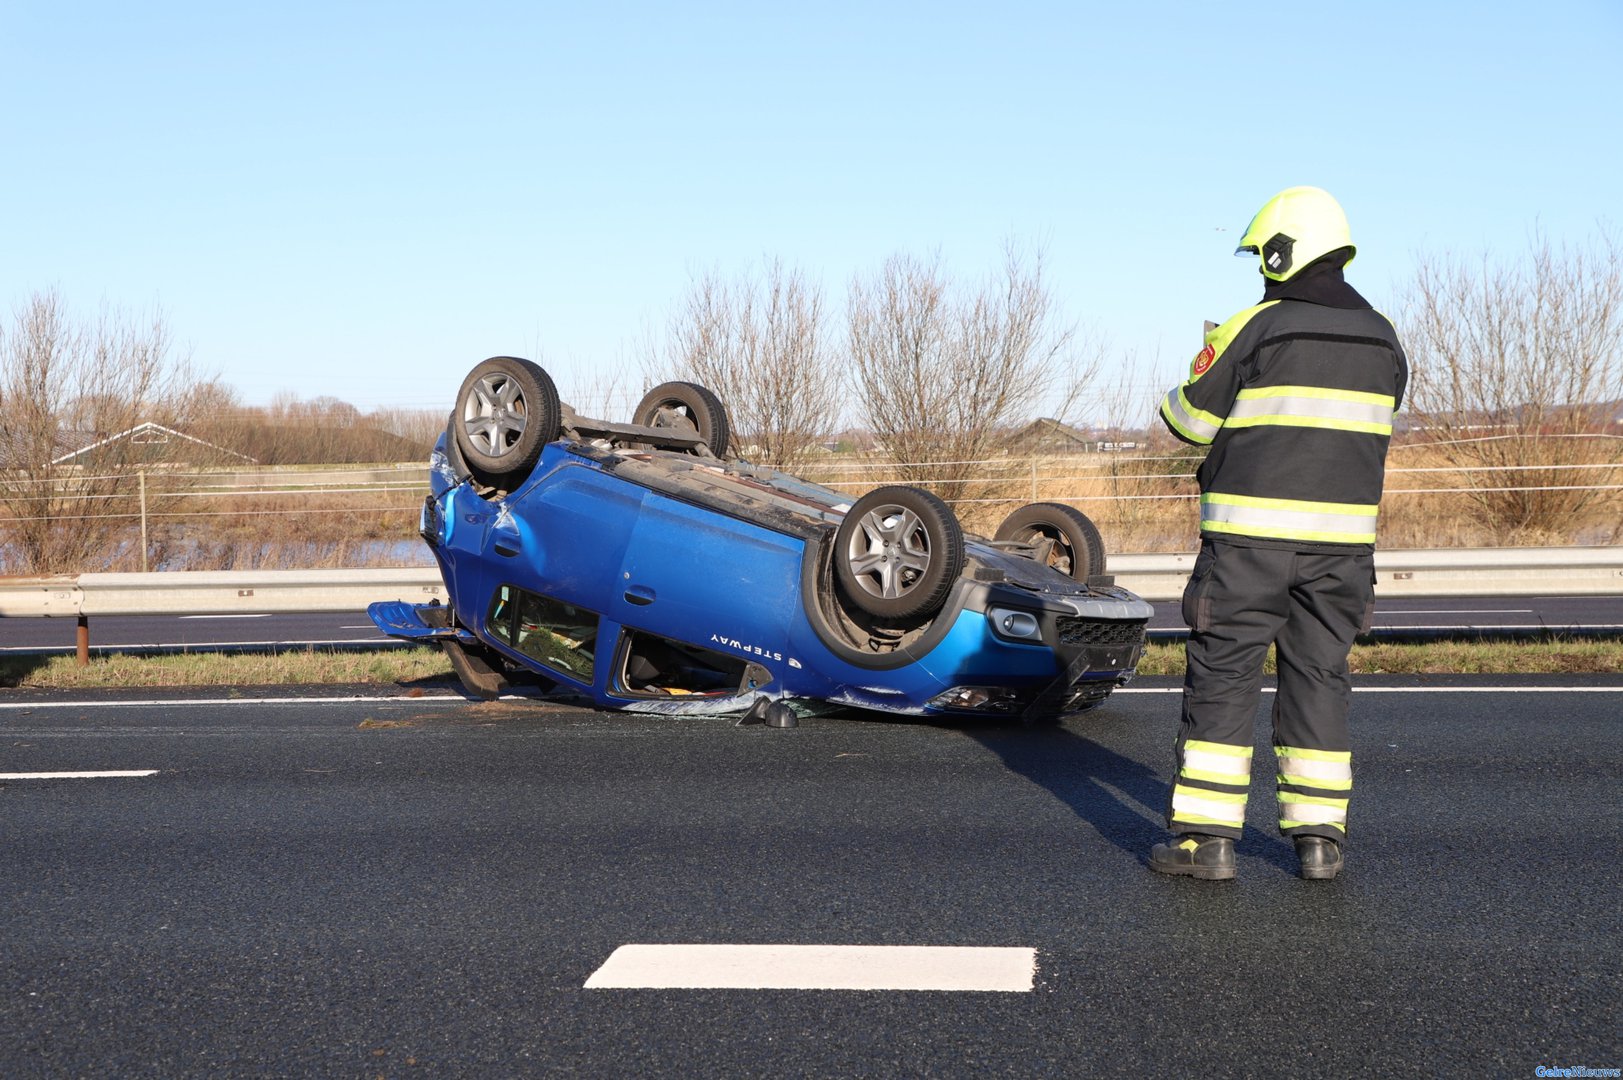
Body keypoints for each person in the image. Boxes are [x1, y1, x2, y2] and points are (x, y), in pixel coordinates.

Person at [1149, 186, 1409, 882]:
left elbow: (1186, 423)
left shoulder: (1255, 326)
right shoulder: (1384, 336)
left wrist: (1207, 352)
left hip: (1246, 548)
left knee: (1224, 678)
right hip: (1342, 555)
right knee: (1319, 678)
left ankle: (1205, 844)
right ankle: (1319, 841)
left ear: (1278, 253)